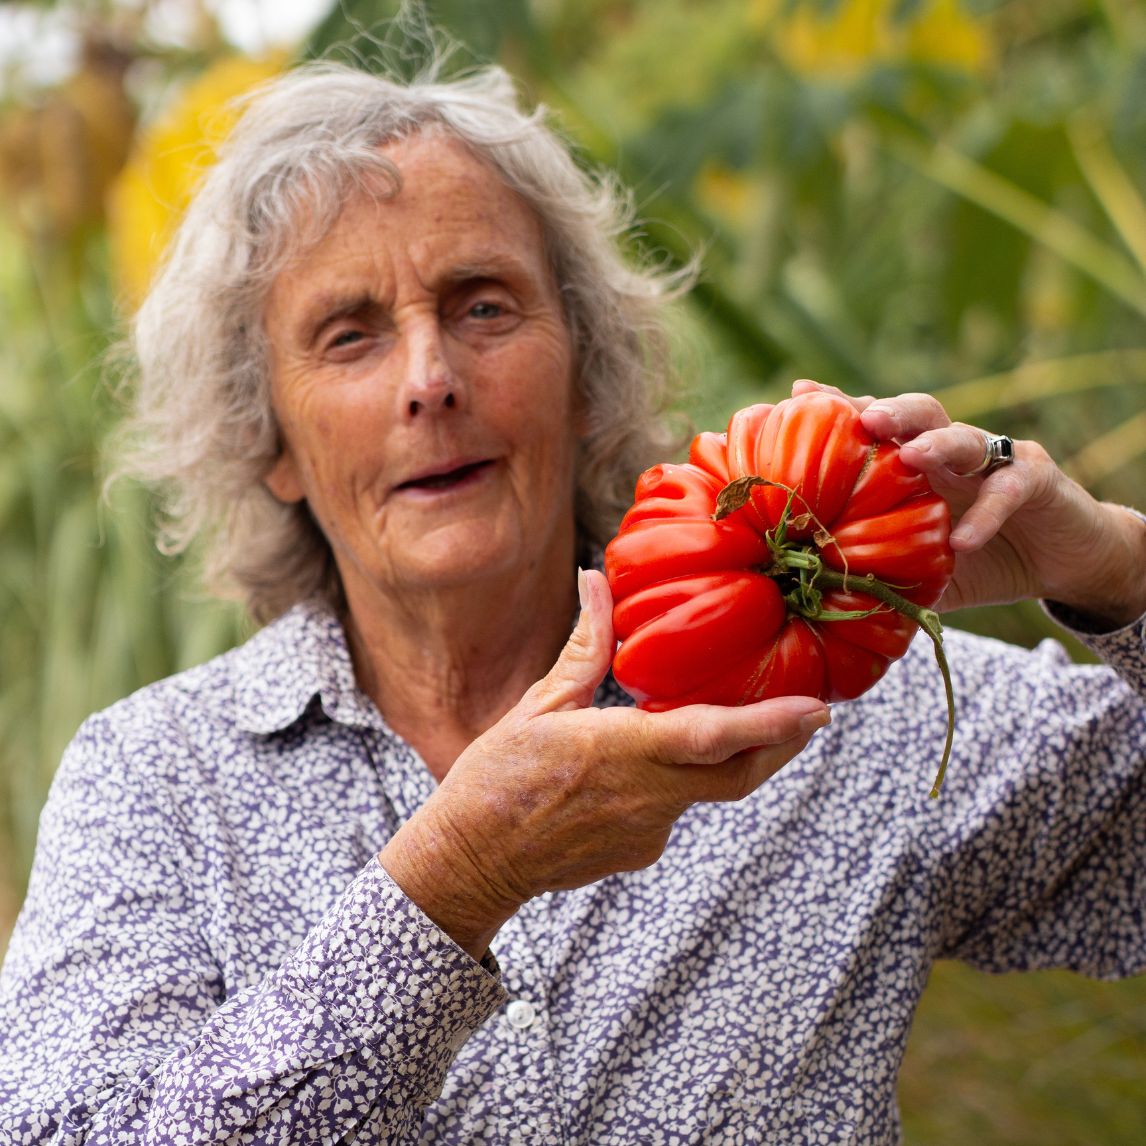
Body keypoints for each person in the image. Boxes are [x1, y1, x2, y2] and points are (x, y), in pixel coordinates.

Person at [1, 58, 1144, 1146]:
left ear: (587, 374)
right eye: (348, 336)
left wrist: (1116, 574)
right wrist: (451, 885)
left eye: (483, 307)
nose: (429, 379)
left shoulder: (829, 713)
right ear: (273, 442)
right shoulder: (157, 785)